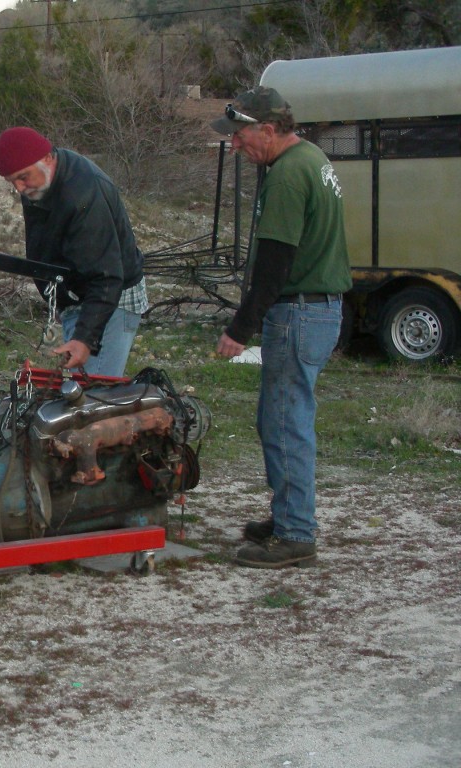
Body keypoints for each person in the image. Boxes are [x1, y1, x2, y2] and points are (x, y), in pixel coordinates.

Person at [210, 86, 352, 569]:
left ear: (268, 130)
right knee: (278, 419)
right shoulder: (311, 157)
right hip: (317, 309)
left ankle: (296, 534)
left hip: (299, 312)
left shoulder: (288, 177)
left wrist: (238, 329)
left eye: (241, 135)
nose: (236, 146)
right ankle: (290, 514)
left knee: (286, 423)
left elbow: (272, 268)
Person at [0, 127, 148, 378]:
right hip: (78, 292)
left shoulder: (83, 196)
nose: (19, 188)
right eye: (12, 181)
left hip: (112, 297)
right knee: (77, 390)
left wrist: (85, 339)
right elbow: (43, 246)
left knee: (94, 395)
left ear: (46, 158)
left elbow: (107, 276)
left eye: (23, 177)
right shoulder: (40, 183)